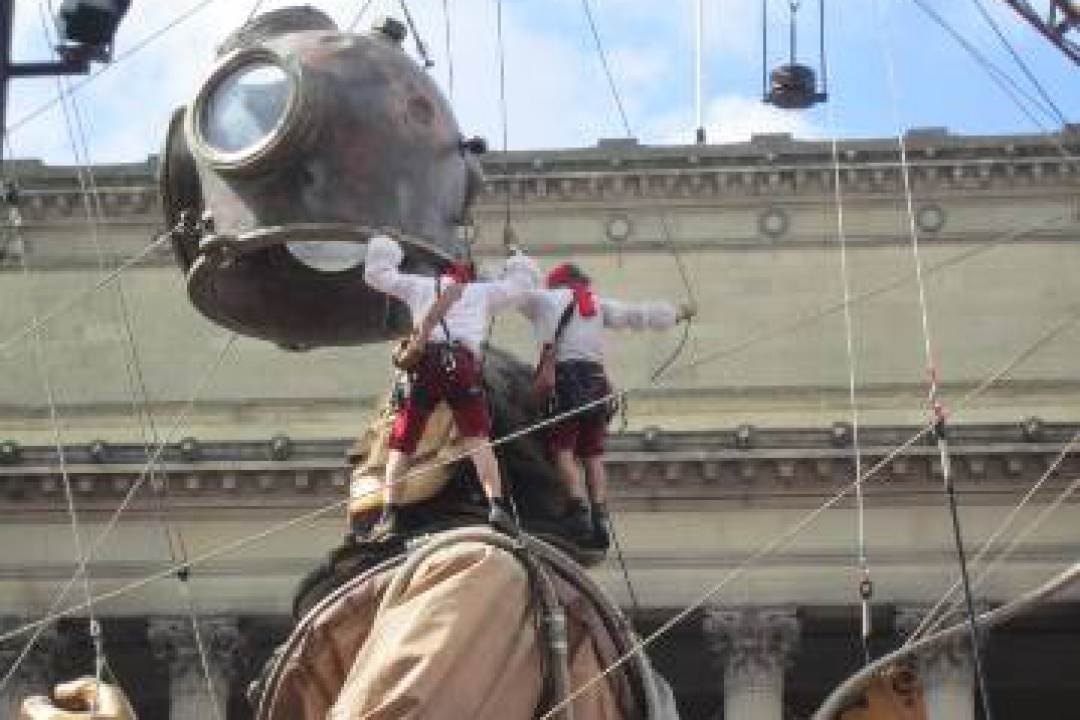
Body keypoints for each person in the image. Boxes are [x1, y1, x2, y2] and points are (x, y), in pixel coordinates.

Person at [363, 233, 536, 540]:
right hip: (462, 368)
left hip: (426, 367)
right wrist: (516, 258)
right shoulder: (481, 293)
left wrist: (387, 243)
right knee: (478, 441)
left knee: (403, 443)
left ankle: (389, 514)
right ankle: (496, 507)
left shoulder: (419, 286)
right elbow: (520, 287)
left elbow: (377, 275)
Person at [517, 262, 696, 548]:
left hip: (567, 381)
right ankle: (599, 512)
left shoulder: (548, 300)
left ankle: (578, 509)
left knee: (563, 450)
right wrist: (677, 313)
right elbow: (638, 315)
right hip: (596, 383)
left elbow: (515, 293)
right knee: (592, 454)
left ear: (556, 284)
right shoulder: (598, 305)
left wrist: (514, 264)